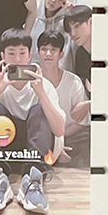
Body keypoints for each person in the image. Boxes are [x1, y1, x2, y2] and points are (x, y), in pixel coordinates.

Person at [0, 28, 65, 215]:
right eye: (11, 53)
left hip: (35, 155)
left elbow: (60, 129)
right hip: (4, 152)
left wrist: (41, 94)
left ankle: (32, 182)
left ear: (30, 55)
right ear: (2, 56)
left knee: (39, 110)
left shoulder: (43, 85)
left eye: (22, 53)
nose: (17, 59)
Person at [37, 30, 90, 165]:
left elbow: (82, 121)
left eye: (53, 50)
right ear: (38, 53)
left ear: (61, 54)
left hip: (70, 135)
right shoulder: (33, 81)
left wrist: (59, 139)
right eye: (44, 49)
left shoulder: (73, 81)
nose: (48, 54)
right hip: (41, 137)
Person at [29, 0, 73, 67]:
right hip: (31, 69)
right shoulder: (32, 16)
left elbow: (65, 58)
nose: (53, 0)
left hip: (54, 72)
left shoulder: (64, 25)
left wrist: (71, 15)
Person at [62, 4, 93, 93]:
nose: (73, 34)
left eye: (76, 26)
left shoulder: (107, 48)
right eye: (69, 30)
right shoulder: (80, 54)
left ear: (91, 22)